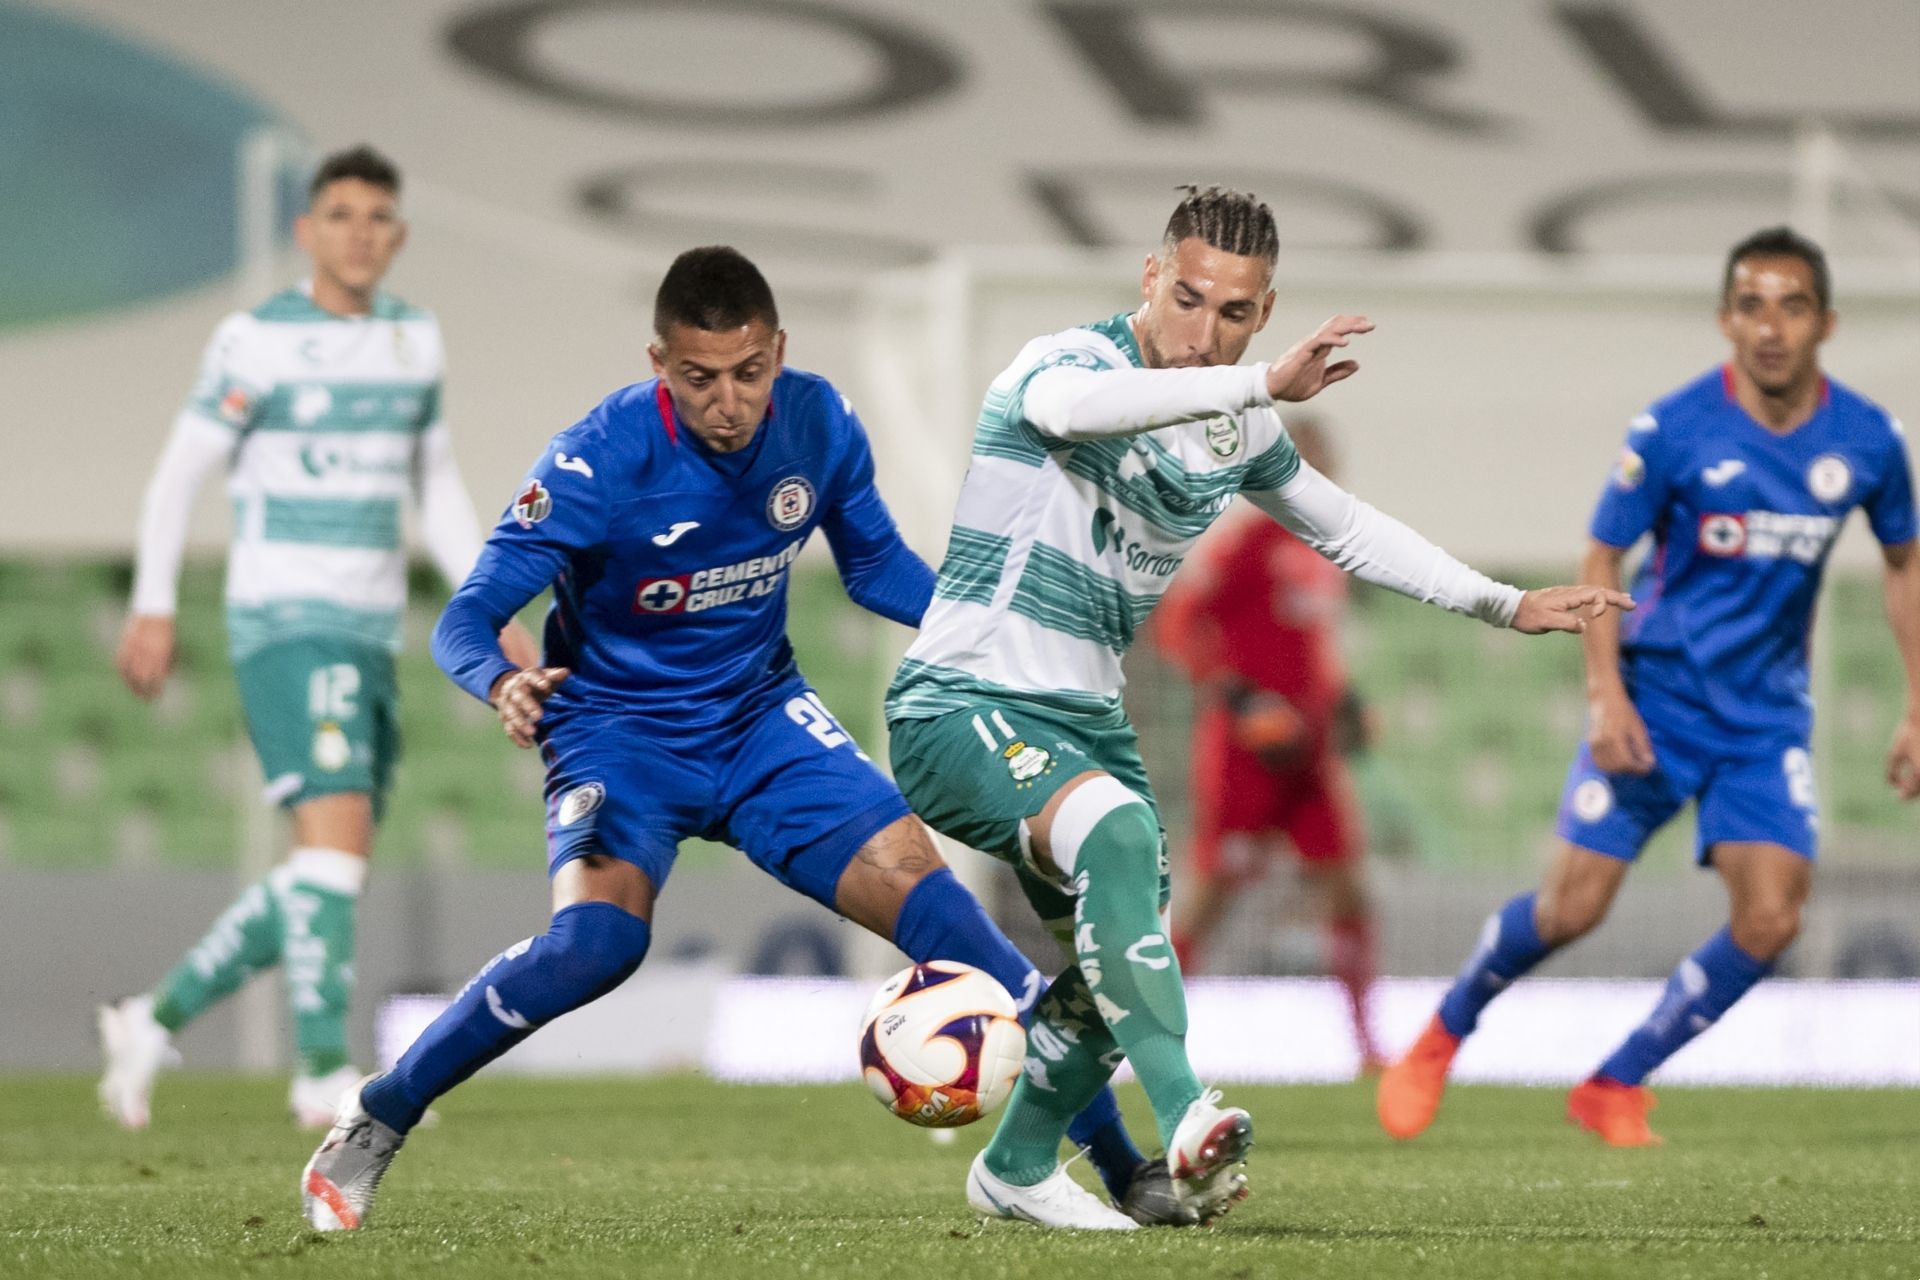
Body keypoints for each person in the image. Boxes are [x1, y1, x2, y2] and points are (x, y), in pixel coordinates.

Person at [299, 245, 1171, 1232]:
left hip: (761, 721)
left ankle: (1126, 1168)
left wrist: (988, 634)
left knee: (955, 928)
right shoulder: (596, 460)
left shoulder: (818, 421)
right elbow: (467, 615)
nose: (729, 402)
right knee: (598, 945)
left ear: (778, 352)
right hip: (617, 733)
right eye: (701, 377)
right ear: (659, 364)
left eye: (749, 372)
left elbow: (875, 565)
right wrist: (502, 680)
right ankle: (381, 1111)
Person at [884, 184, 1630, 1230]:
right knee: (1121, 834)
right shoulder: (1063, 366)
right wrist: (1255, 382)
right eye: (1187, 299)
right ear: (1151, 277)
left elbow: (1347, 528)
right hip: (961, 703)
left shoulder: (1233, 427)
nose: (1204, 331)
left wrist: (1502, 602)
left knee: (1115, 955)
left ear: (1264, 311)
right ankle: (1187, 1114)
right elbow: (1073, 416)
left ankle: (1014, 1166)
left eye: (1234, 313)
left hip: (1086, 724)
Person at [1376, 226, 1920, 1148]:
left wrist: (1915, 705)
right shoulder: (1673, 429)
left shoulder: (1869, 439)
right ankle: (1443, 1031)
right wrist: (1606, 695)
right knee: (1571, 910)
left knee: (1772, 918)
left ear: (1825, 323)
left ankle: (1615, 1081)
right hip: (1657, 698)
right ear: (1726, 320)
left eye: (1792, 307)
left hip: (1766, 720)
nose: (1771, 327)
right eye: (1752, 306)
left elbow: (1904, 563)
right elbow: (1602, 554)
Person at [100, 145, 539, 1130]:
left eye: (376, 216)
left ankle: (150, 1017)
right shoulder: (256, 340)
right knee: (332, 852)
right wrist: (153, 602)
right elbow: (179, 472)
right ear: (306, 232)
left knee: (326, 868)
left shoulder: (413, 340)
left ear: (399, 235)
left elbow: (434, 481)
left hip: (368, 628)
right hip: (286, 617)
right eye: (340, 214)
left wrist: (490, 600)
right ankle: (318, 1074)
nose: (359, 233)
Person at [1153, 416, 1384, 1070]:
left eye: (1324, 459)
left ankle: (1367, 1045)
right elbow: (1179, 626)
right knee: (1213, 894)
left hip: (1311, 757)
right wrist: (1240, 699)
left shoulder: (1328, 549)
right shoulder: (1245, 542)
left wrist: (1345, 701)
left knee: (1348, 888)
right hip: (1245, 756)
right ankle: (1150, 1036)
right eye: (1306, 458)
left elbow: (1311, 648)